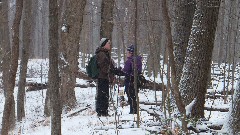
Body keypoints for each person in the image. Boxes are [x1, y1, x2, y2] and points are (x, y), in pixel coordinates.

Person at [119, 45, 142, 114]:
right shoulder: (138, 60)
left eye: (128, 52)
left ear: (131, 52)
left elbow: (126, 70)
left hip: (129, 80)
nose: (127, 53)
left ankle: (133, 111)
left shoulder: (130, 61)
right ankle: (134, 110)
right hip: (136, 80)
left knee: (130, 96)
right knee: (134, 96)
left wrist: (119, 71)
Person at [95, 38, 115, 117]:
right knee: (103, 94)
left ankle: (103, 111)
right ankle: (102, 112)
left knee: (103, 94)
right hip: (102, 77)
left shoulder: (104, 53)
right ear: (104, 44)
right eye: (108, 43)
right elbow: (104, 67)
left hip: (104, 77)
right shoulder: (102, 54)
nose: (110, 45)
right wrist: (110, 71)